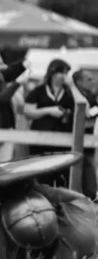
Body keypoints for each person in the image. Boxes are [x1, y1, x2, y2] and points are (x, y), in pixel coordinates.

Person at [23, 59, 74, 187]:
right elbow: (28, 112)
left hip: (64, 140)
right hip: (40, 139)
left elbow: (81, 107)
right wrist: (48, 110)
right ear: (52, 73)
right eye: (62, 73)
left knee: (62, 174)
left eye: (67, 73)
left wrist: (73, 87)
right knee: (41, 175)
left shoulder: (70, 92)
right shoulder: (39, 90)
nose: (65, 76)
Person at [68, 69, 98, 200]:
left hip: (89, 146)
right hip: (75, 146)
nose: (93, 82)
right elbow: (86, 114)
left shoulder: (92, 97)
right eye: (89, 79)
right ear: (78, 82)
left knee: (90, 185)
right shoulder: (74, 96)